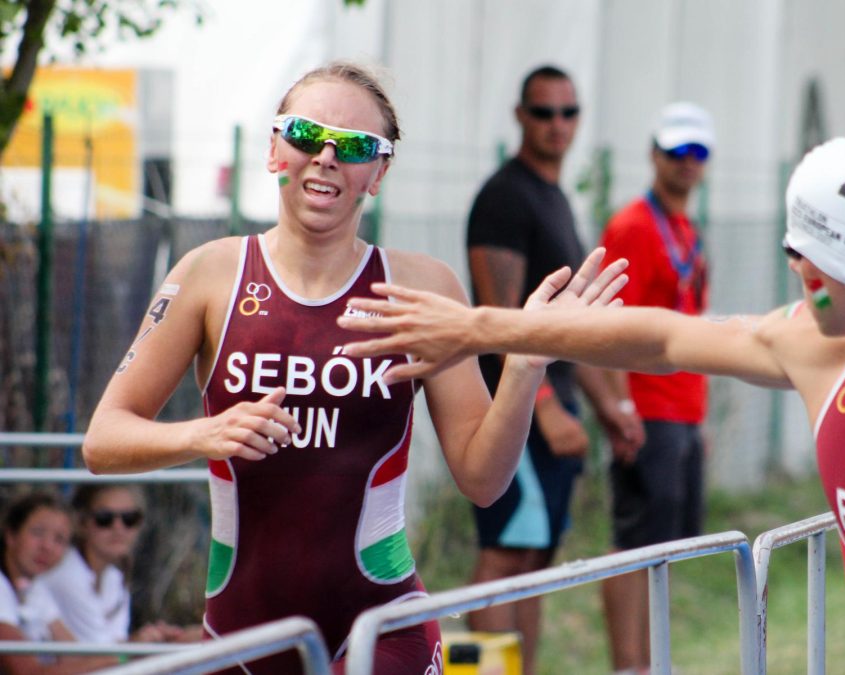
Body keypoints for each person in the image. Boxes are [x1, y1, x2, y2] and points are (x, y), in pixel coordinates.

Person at [339, 132, 845, 674]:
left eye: (795, 253)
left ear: (829, 268)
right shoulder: (822, 350)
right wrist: (481, 327)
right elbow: (663, 338)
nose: (791, 271)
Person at [82, 60, 628, 674]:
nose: (326, 157)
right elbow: (104, 440)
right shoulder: (210, 274)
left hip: (380, 625)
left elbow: (482, 479)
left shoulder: (421, 286)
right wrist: (202, 433)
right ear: (273, 150)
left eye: (356, 146)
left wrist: (524, 366)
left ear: (379, 172)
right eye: (306, 134)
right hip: (240, 633)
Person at [464, 64, 643, 675]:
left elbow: (571, 329)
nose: (557, 125)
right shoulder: (505, 198)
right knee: (502, 557)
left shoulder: (554, 197)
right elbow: (503, 320)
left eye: (568, 112)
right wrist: (543, 411)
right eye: (543, 112)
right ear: (520, 116)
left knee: (532, 560)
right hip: (511, 411)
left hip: (554, 409)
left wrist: (608, 408)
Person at [596, 101, 713, 675]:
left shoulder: (686, 227)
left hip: (683, 412)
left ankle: (652, 664)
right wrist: (620, 405)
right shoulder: (633, 227)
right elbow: (610, 324)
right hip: (647, 408)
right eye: (675, 152)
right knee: (636, 544)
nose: (686, 164)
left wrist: (699, 420)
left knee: (665, 548)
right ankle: (630, 667)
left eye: (697, 153)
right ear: (653, 155)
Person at [36, 485, 198, 645]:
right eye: (104, 519)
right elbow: (101, 657)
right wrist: (149, 641)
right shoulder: (67, 575)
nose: (118, 528)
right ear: (82, 523)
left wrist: (160, 637)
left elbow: (115, 644)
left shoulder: (113, 577)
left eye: (129, 519)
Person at [0, 491, 119, 673]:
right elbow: (29, 673)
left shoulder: (34, 588)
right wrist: (122, 655)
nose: (47, 546)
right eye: (37, 533)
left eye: (59, 539)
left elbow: (75, 656)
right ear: (11, 535)